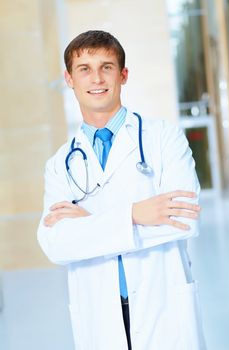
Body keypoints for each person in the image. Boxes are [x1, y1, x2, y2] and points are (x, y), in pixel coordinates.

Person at [37, 30, 206, 350]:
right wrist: (135, 214)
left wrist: (88, 222)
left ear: (123, 74)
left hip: (163, 304)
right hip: (98, 313)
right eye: (84, 68)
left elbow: (185, 220)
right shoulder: (59, 164)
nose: (96, 78)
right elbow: (55, 244)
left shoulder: (163, 138)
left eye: (107, 67)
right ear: (69, 78)